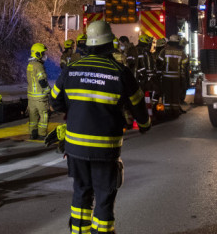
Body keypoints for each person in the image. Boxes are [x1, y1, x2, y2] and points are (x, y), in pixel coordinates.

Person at [50, 20, 151, 234]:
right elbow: (138, 105)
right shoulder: (120, 72)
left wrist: (75, 106)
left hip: (75, 146)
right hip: (105, 149)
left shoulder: (72, 69)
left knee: (81, 190)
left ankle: (78, 231)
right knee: (105, 193)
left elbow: (55, 101)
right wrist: (144, 124)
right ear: (110, 44)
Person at [157, 35, 188, 113]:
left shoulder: (164, 51)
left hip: (166, 76)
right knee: (175, 94)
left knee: (167, 94)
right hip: (176, 77)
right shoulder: (181, 52)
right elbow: (185, 63)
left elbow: (159, 62)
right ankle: (175, 110)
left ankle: (167, 110)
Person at [27, 43, 51, 140]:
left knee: (33, 117)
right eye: (42, 53)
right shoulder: (39, 66)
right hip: (40, 97)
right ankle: (42, 134)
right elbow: (42, 81)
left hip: (31, 97)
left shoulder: (29, 65)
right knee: (44, 116)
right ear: (38, 54)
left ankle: (33, 133)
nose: (44, 55)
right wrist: (49, 91)